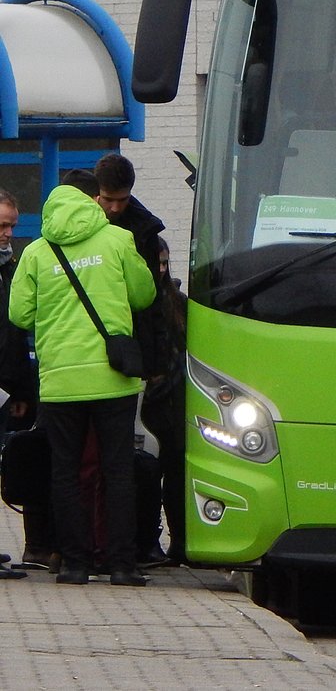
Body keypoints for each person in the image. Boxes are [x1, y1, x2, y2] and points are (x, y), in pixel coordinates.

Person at [8, 183, 156, 586]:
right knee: (118, 470)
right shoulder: (118, 238)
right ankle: (122, 565)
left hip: (60, 380)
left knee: (66, 472)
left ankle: (75, 564)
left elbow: (20, 314)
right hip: (113, 377)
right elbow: (144, 294)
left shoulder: (37, 252)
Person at [92, 153, 173, 565]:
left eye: (122, 200)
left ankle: (135, 542)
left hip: (129, 357)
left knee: (132, 457)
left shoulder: (142, 230)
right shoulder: (85, 224)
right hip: (93, 355)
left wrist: (155, 362)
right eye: (109, 200)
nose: (115, 208)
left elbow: (149, 305)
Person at [137, 236, 186, 564]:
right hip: (149, 400)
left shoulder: (178, 302)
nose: (162, 269)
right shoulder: (139, 300)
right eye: (158, 262)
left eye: (166, 262)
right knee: (149, 473)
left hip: (178, 399)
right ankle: (148, 541)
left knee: (177, 472)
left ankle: (180, 540)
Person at [0, 189, 34, 579]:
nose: (8, 233)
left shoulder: (10, 267)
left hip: (5, 385)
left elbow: (15, 334)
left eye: (11, 225)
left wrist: (21, 391)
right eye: (2, 225)